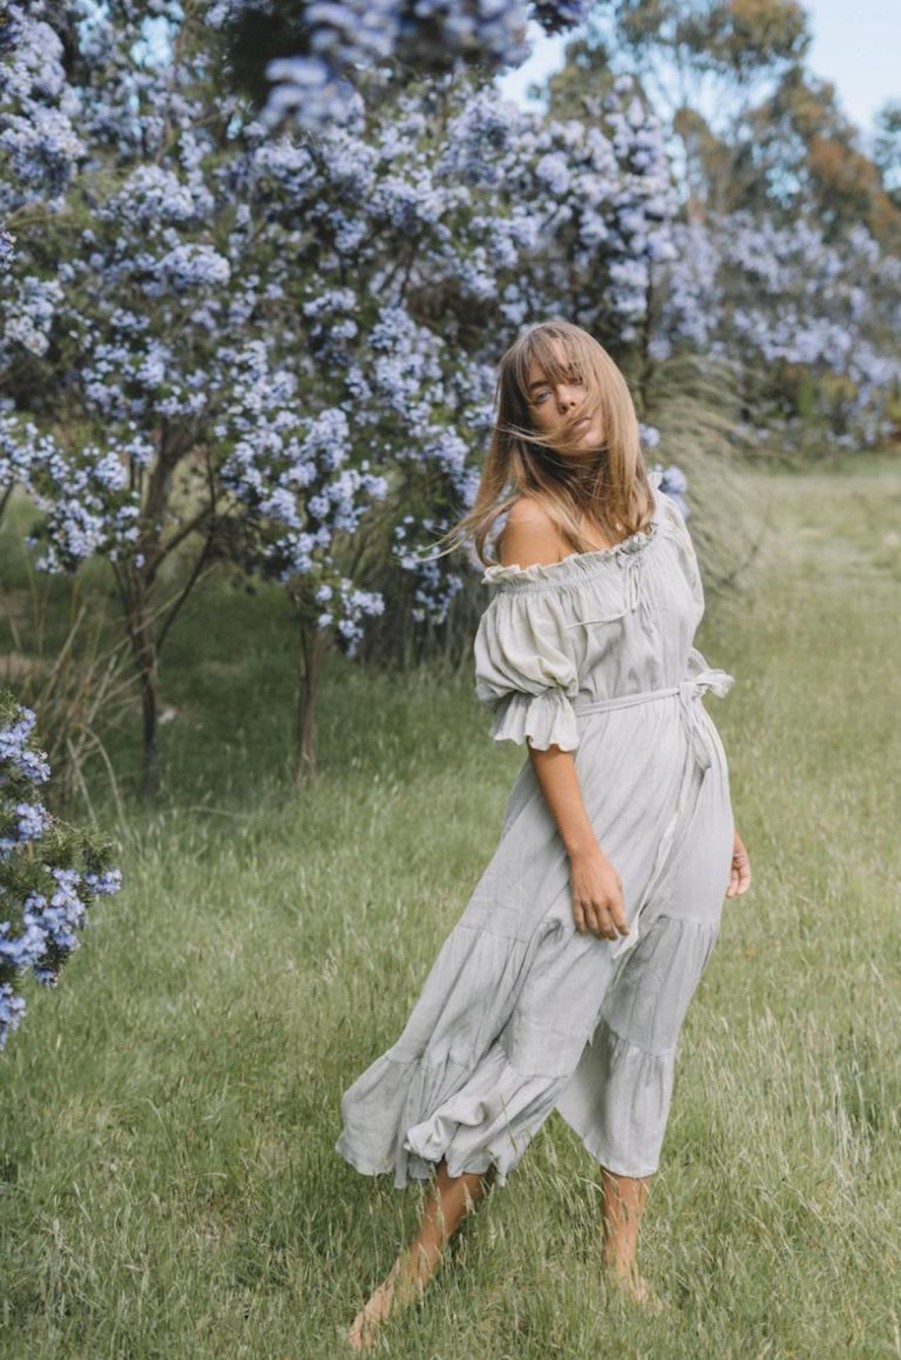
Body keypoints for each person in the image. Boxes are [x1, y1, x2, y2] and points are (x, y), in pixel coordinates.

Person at [335, 319, 752, 1352]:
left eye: (572, 382)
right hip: (596, 799)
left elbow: (678, 672)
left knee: (652, 1021)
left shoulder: (655, 509)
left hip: (689, 783)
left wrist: (725, 819)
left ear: (604, 384)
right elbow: (542, 715)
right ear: (521, 420)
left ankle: (619, 1268)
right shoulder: (534, 524)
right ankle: (410, 1277)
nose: (561, 402)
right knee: (542, 1025)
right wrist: (584, 852)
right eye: (538, 395)